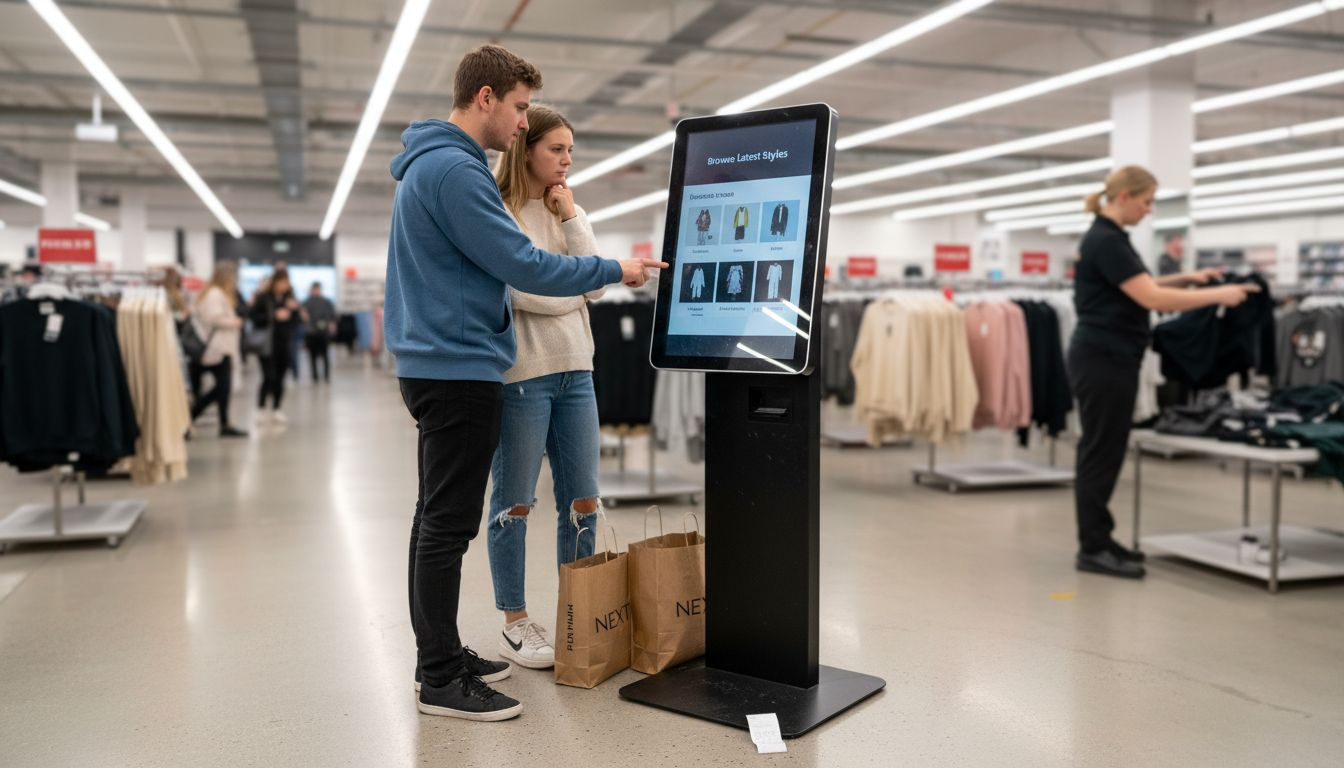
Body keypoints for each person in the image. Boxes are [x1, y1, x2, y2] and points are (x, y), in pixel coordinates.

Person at [385, 43, 665, 722]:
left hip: (441, 361)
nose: (520, 122)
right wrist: (613, 270)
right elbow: (524, 266)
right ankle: (440, 679)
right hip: (457, 367)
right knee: (447, 527)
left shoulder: (434, 165)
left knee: (436, 520)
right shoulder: (456, 170)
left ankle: (441, 655)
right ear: (484, 97)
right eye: (517, 107)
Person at [1069, 165, 1259, 579]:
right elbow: (1151, 297)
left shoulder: (1109, 237)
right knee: (1101, 451)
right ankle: (1093, 547)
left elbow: (1137, 284)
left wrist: (1187, 279)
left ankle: (1100, 537)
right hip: (1104, 358)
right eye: (1146, 201)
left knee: (1106, 449)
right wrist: (1218, 294)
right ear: (1124, 196)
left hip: (1109, 356)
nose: (1149, 210)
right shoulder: (1107, 240)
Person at [483, 105, 606, 670]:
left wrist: (572, 216)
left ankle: (576, 613)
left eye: (570, 150)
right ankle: (515, 621)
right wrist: (572, 290)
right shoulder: (498, 210)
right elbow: (519, 289)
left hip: (578, 370)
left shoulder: (567, 212)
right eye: (556, 149)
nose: (566, 160)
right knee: (515, 502)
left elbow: (595, 286)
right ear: (525, 148)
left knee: (584, 502)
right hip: (523, 376)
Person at [189, 262, 248, 438]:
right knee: (223, 387)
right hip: (216, 348)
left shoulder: (214, 293)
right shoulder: (215, 294)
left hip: (219, 348)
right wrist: (234, 322)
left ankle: (224, 423)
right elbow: (213, 318)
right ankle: (191, 415)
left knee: (224, 388)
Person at [249, 268, 303, 425]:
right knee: (268, 377)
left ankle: (276, 408)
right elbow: (253, 316)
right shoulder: (264, 297)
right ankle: (261, 407)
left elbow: (297, 321)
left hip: (284, 343)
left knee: (280, 377)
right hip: (267, 344)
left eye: (286, 283)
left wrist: (293, 311)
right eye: (281, 282)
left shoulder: (290, 299)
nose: (284, 286)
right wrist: (273, 316)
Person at [303, 282, 338, 383]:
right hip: (312, 333)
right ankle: (315, 377)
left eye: (317, 289)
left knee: (325, 355)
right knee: (312, 356)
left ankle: (326, 376)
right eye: (314, 289)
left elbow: (332, 315)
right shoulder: (307, 302)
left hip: (324, 332)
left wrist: (332, 324)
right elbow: (303, 316)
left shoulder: (326, 302)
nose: (316, 291)